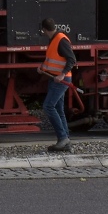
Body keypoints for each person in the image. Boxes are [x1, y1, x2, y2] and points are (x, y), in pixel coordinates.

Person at [37, 17, 77, 151]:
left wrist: (62, 74)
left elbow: (72, 59)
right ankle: (66, 142)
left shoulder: (61, 40)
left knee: (48, 106)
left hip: (61, 80)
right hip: (54, 78)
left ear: (44, 30)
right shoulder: (54, 39)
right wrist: (42, 68)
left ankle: (63, 138)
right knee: (59, 109)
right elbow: (52, 59)